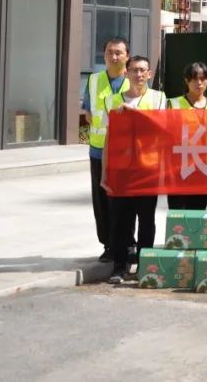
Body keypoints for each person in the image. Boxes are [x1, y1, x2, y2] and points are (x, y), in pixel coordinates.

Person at [104, 55, 166, 283]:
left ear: (149, 74)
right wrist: (104, 173)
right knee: (121, 220)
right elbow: (109, 139)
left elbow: (160, 126)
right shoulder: (113, 100)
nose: (138, 75)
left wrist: (133, 112)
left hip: (148, 170)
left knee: (146, 221)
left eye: (142, 70)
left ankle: (144, 265)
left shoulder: (158, 98)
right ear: (126, 73)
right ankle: (119, 266)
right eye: (134, 70)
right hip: (121, 171)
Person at [81, 37, 130, 262]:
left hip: (126, 153)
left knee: (125, 201)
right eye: (110, 52)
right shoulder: (94, 80)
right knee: (101, 201)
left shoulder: (134, 80)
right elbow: (88, 113)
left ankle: (127, 242)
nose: (114, 56)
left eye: (119, 52)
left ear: (127, 56)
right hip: (98, 150)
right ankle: (108, 244)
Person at [166, 61, 207, 211]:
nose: (199, 83)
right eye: (194, 79)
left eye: (203, 78)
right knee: (177, 214)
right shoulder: (173, 104)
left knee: (198, 214)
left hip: (204, 169)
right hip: (179, 169)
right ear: (186, 81)